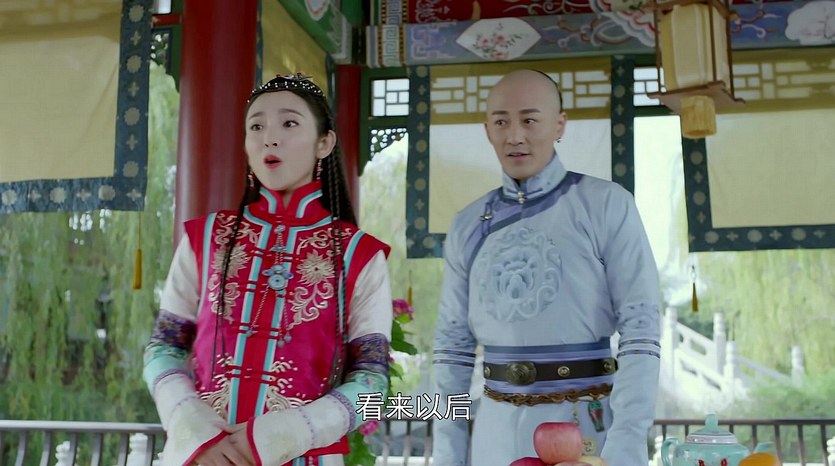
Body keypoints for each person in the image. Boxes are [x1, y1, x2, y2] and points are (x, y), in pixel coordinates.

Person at [143, 74, 392, 466]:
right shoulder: (207, 238)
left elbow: (373, 381)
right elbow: (164, 347)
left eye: (289, 123)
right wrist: (196, 431)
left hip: (304, 457)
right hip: (205, 456)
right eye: (256, 127)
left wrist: (280, 435)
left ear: (324, 143)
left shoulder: (358, 254)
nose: (269, 139)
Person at [432, 69, 661, 466]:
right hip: (494, 431)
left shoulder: (606, 204)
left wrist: (625, 445)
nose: (514, 136)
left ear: (559, 125)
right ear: (487, 131)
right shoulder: (467, 224)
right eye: (501, 122)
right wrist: (447, 454)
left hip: (585, 425)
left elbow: (641, 327)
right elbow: (452, 348)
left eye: (529, 120)